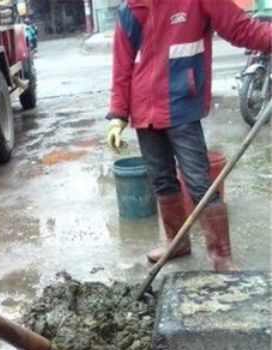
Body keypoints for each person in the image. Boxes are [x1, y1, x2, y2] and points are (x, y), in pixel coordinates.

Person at [106, 0, 272, 271]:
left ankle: (221, 254)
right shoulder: (129, 10)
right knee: (161, 179)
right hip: (144, 112)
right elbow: (121, 68)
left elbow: (241, 29)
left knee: (199, 182)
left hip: (181, 105)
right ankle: (177, 243)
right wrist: (117, 116)